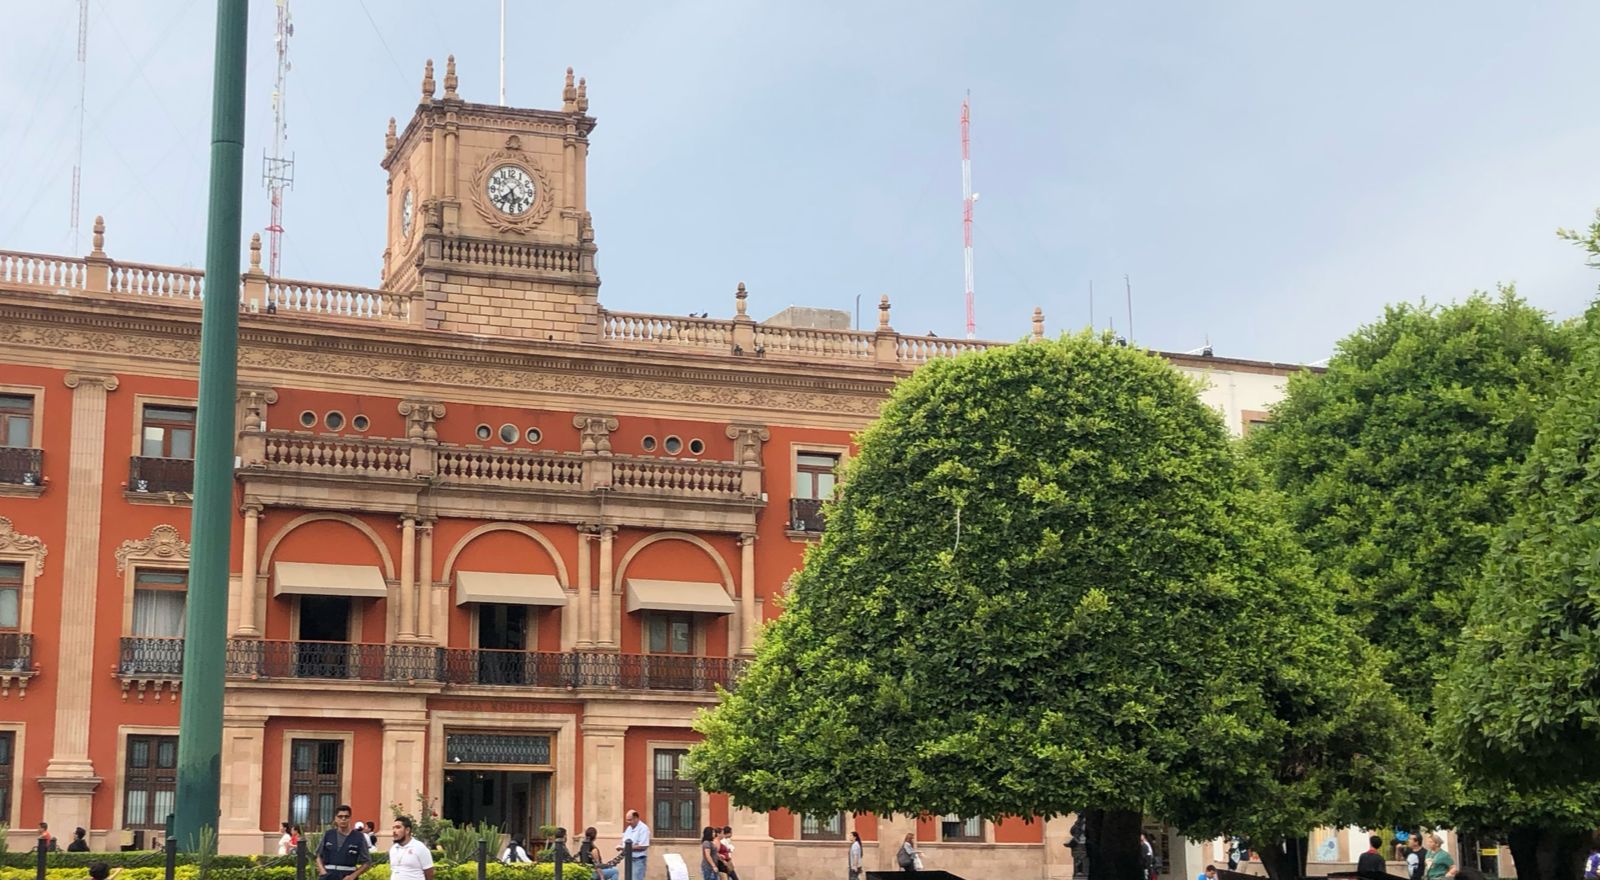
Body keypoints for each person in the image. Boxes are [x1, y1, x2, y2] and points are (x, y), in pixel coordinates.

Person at [316, 805, 373, 880]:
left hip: (348, 876)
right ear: (336, 818)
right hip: (327, 875)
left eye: (346, 816)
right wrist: (323, 871)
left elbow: (367, 862)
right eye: (340, 816)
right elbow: (318, 855)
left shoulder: (359, 837)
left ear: (350, 818)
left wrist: (353, 876)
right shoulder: (328, 834)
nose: (343, 819)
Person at [619, 809, 651, 880]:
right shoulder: (629, 828)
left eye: (630, 820)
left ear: (636, 818)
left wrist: (627, 848)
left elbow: (644, 846)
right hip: (629, 859)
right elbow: (624, 841)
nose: (628, 822)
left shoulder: (643, 828)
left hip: (638, 860)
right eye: (627, 820)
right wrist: (622, 847)